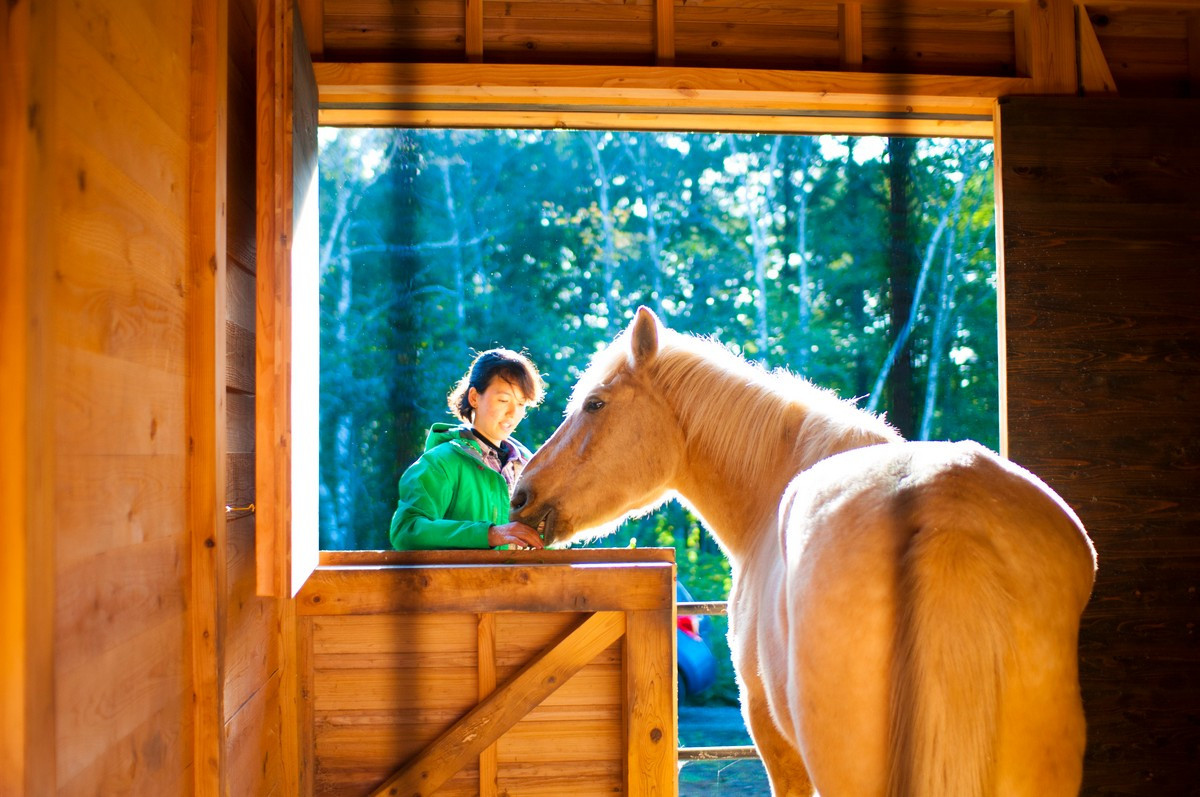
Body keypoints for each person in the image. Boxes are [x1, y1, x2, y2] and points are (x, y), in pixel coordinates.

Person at [389, 348, 547, 550]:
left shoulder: (531, 468)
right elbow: (405, 530)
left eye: (521, 403)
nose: (513, 413)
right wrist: (490, 534)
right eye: (503, 400)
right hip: (458, 582)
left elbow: (546, 547)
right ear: (474, 397)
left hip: (522, 582)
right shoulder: (440, 463)